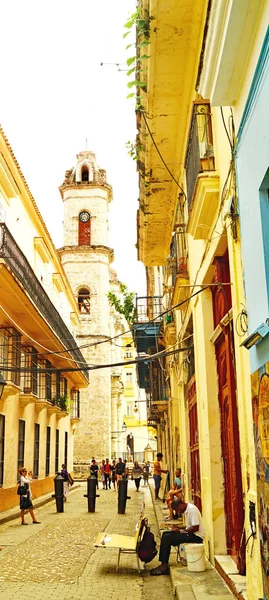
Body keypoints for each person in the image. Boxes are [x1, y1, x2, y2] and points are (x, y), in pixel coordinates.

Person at [150, 498, 205, 575]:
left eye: (177, 510)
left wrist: (180, 531)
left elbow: (195, 527)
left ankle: (164, 566)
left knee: (167, 538)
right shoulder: (188, 509)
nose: (178, 512)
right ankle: (163, 563)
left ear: (180, 505)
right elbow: (189, 526)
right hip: (192, 534)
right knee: (165, 534)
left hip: (197, 537)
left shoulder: (192, 510)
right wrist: (179, 528)